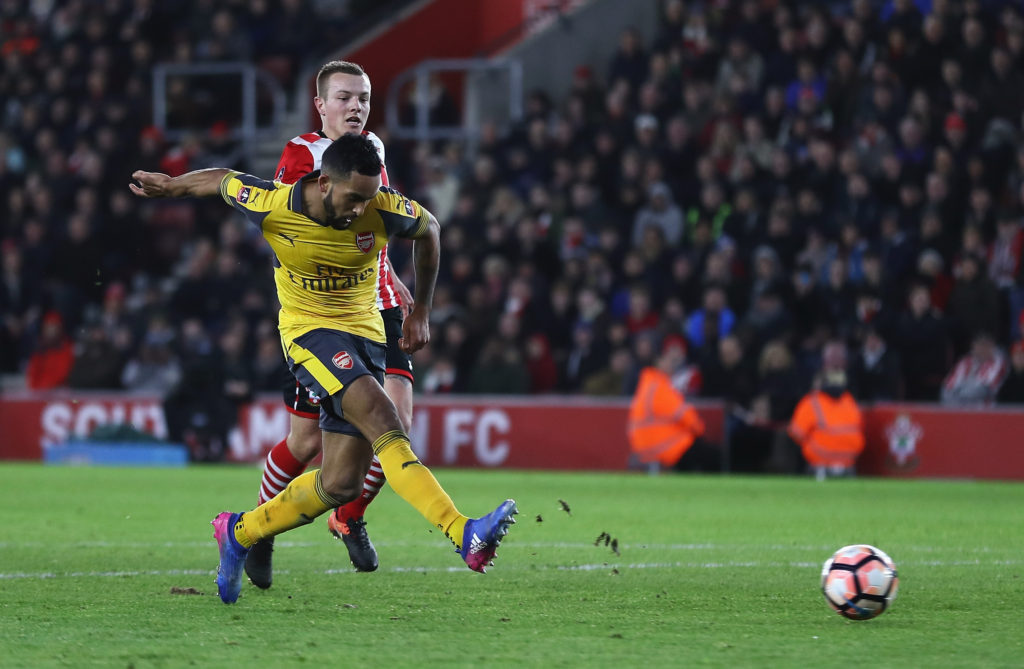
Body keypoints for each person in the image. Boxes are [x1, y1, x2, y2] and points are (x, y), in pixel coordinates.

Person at [130, 133, 518, 604]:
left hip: (366, 336)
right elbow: (223, 180)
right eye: (353, 197)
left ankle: (240, 531)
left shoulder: (382, 207)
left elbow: (431, 229)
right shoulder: (275, 205)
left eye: (368, 198)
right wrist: (171, 187)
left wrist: (422, 311)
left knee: (340, 483)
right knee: (385, 422)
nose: (361, 208)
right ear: (324, 182)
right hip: (310, 336)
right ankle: (464, 534)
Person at [249, 61, 415, 585]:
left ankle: (349, 517)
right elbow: (286, 229)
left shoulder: (374, 150)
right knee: (304, 443)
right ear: (320, 106)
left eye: (363, 98)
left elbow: (371, 223)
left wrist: (392, 277)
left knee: (396, 424)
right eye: (344, 98)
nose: (356, 107)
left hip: (378, 306)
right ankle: (261, 529)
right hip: (319, 315)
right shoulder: (301, 155)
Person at [627, 338, 718, 472]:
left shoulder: (647, 384)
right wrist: (699, 430)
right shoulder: (659, 387)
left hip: (646, 446)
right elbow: (685, 415)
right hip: (666, 446)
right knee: (713, 456)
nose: (672, 365)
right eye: (669, 361)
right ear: (658, 362)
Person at [787, 370, 865, 479]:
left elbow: (796, 433)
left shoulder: (811, 401)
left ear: (819, 383)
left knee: (790, 440)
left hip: (820, 455)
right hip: (850, 456)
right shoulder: (849, 400)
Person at [941, 333, 1008, 406]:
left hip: (986, 412)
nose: (981, 349)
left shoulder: (999, 363)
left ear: (992, 346)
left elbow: (984, 390)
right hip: (959, 410)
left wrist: (959, 393)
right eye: (978, 344)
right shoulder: (965, 362)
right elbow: (947, 387)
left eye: (985, 345)